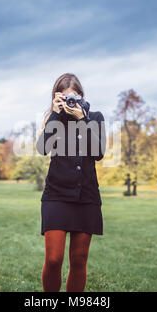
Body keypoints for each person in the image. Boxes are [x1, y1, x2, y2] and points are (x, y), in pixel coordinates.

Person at [36, 73, 106, 292]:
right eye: (65, 98)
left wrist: (81, 119)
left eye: (73, 97)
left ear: (81, 96)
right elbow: (42, 148)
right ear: (57, 98)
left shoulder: (94, 117)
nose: (70, 102)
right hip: (56, 195)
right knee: (54, 259)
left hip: (86, 196)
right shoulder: (53, 119)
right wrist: (56, 115)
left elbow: (98, 153)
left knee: (78, 260)